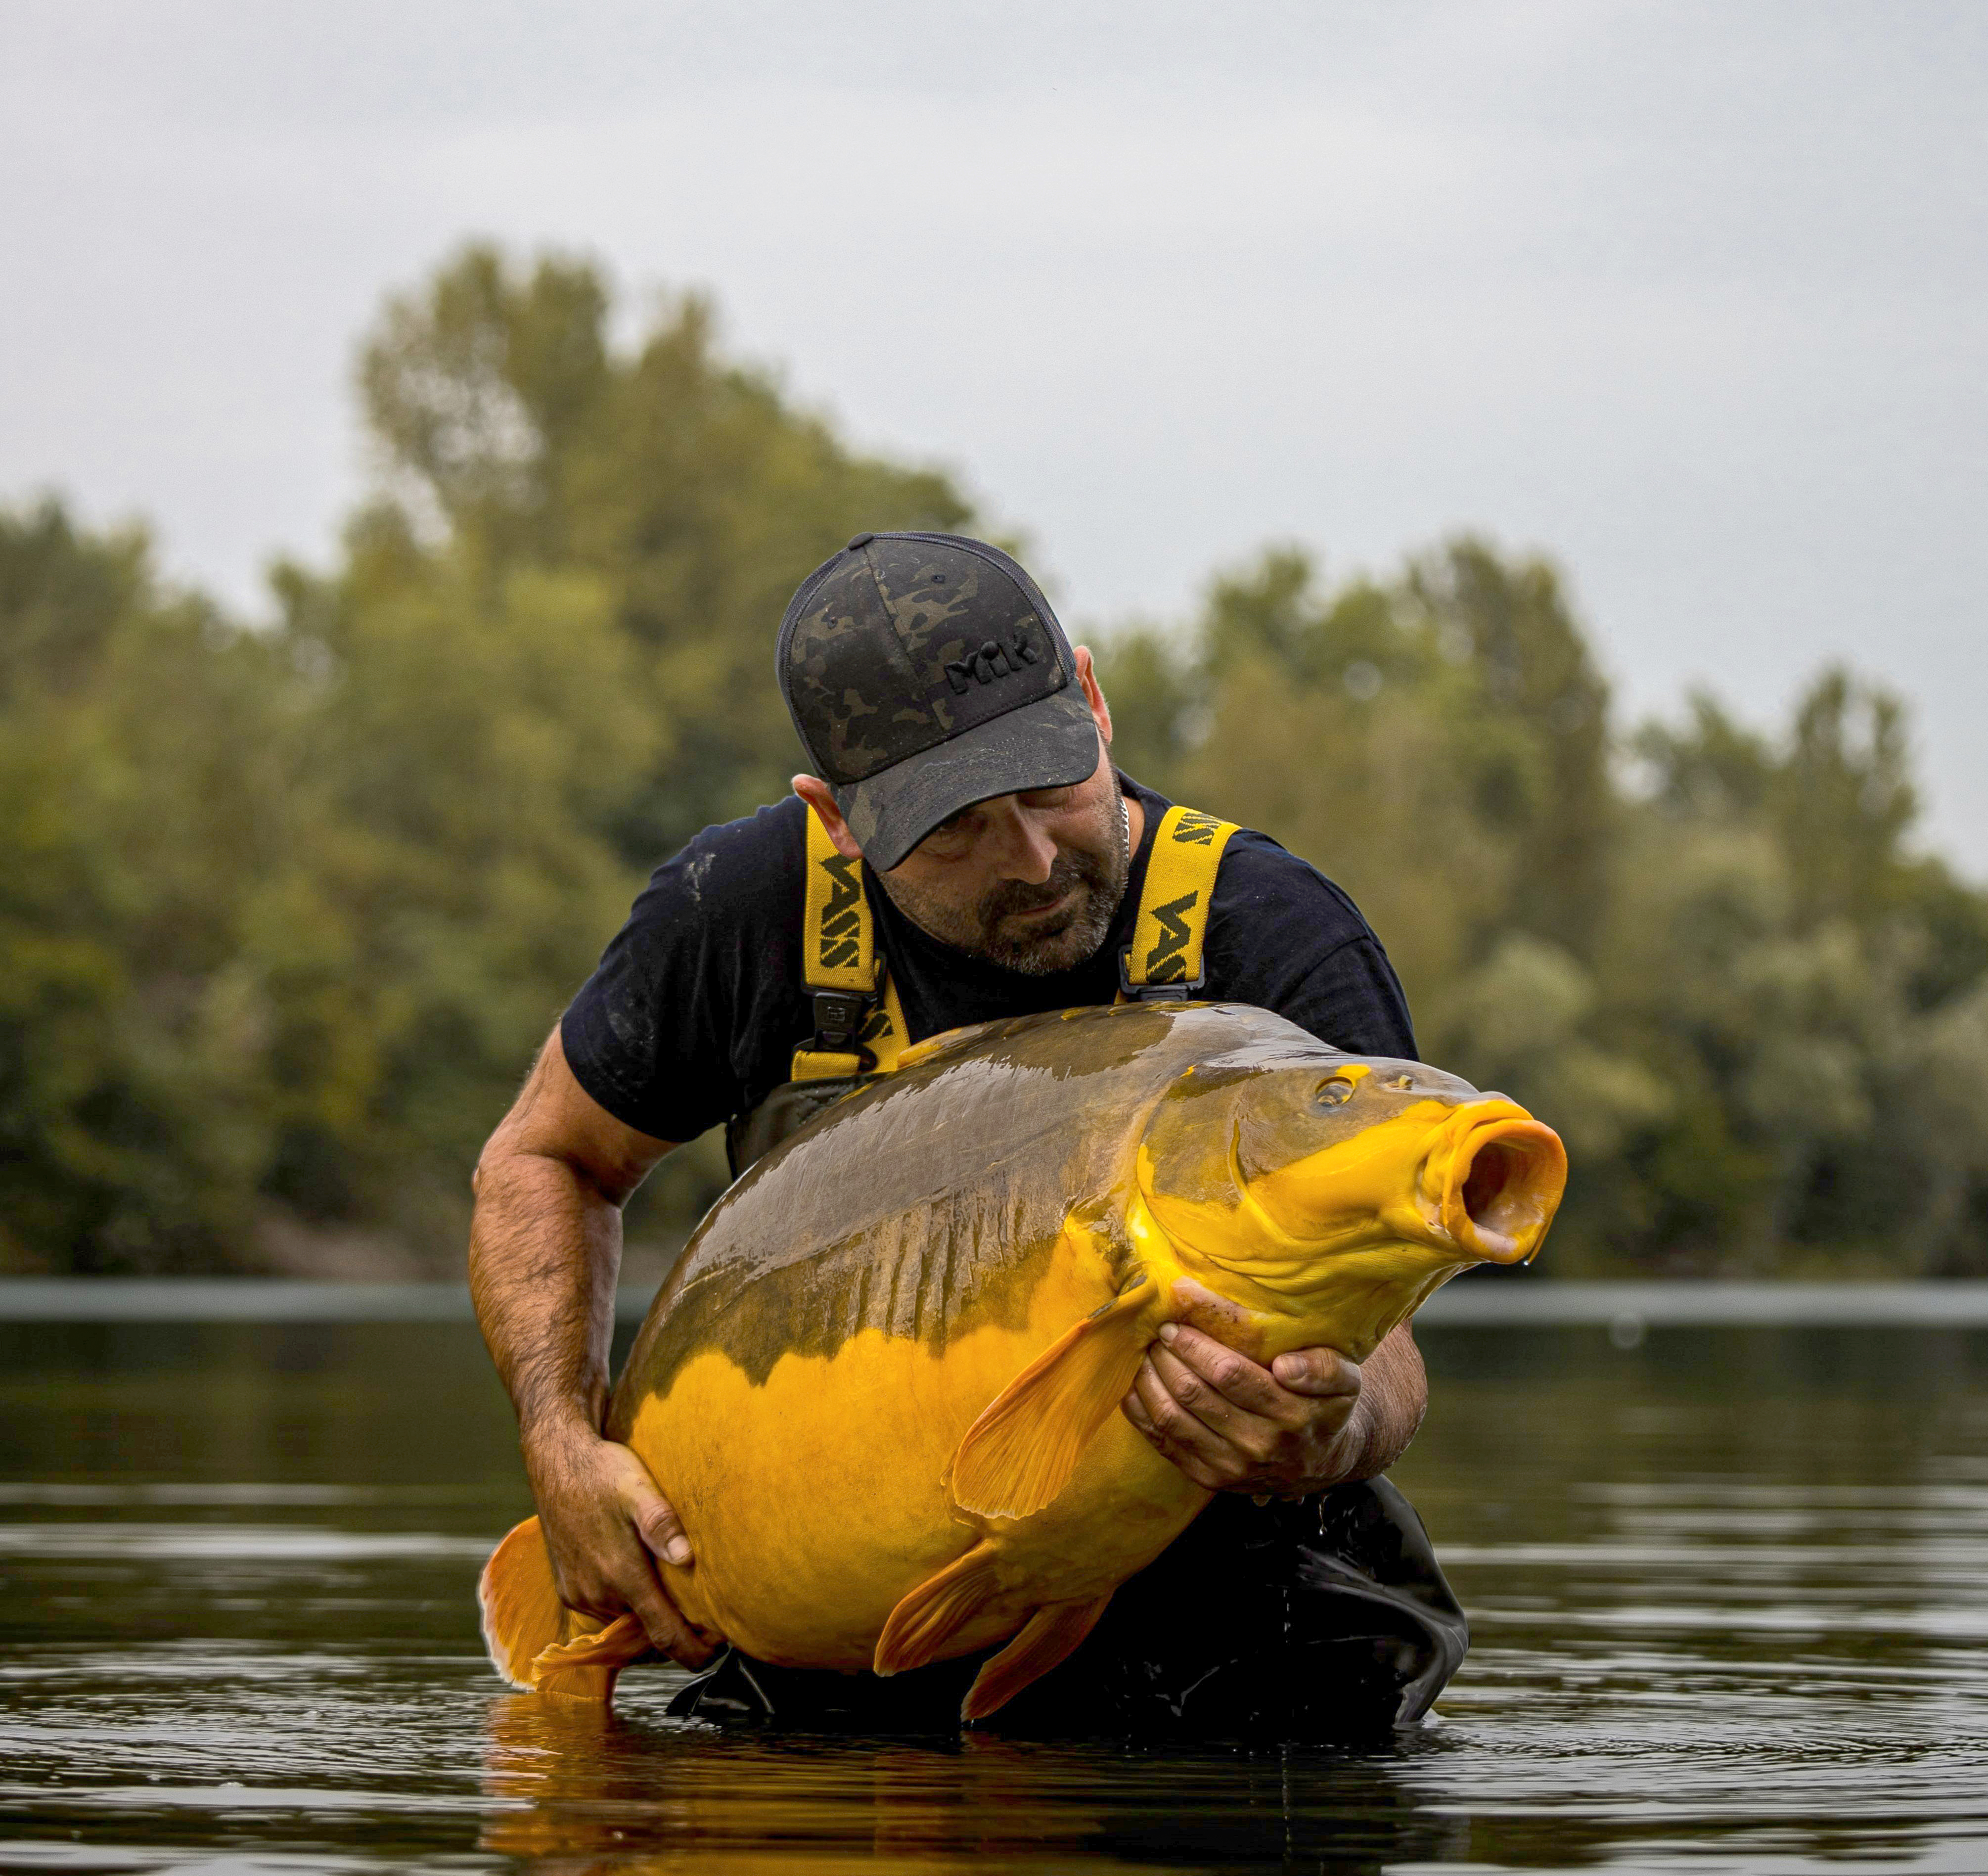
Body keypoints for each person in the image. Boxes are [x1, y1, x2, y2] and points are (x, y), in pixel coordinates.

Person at [470, 531, 1467, 1737]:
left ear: (1092, 702)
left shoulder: (1275, 934)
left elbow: (1392, 1348)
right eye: (955, 829)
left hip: (1218, 1611)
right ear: (839, 820)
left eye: (1053, 784)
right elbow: (545, 1155)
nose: (1036, 857)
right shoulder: (739, 911)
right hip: (836, 1582)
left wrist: (1326, 1427)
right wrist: (560, 1440)